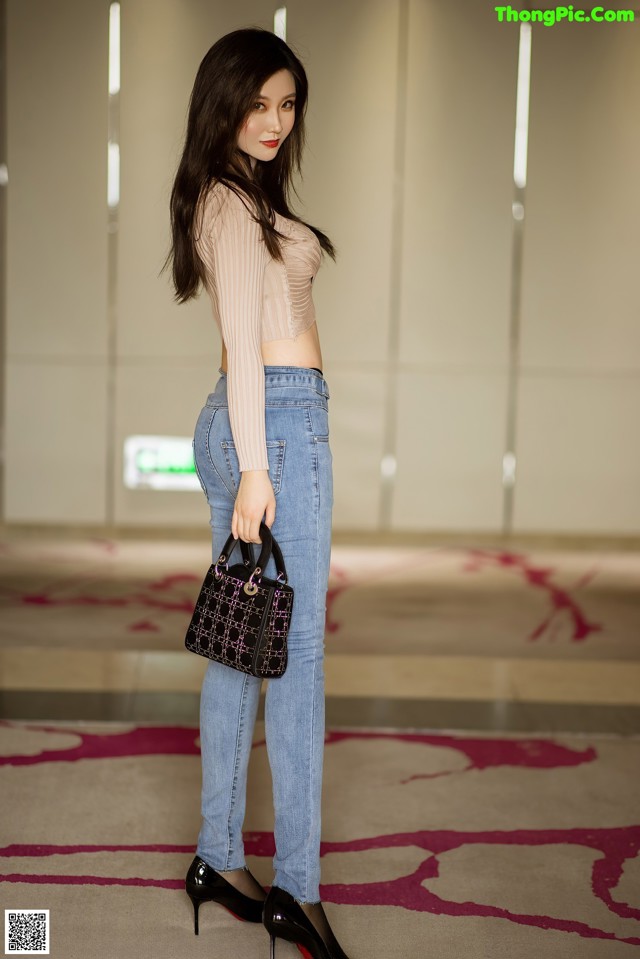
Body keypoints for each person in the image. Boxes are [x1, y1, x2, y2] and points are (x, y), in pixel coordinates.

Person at [166, 27, 351, 959]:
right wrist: (257, 468)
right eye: (260, 102)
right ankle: (299, 891)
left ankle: (215, 854)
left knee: (244, 646)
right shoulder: (231, 205)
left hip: (262, 423)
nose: (276, 120)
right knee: (298, 657)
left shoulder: (240, 196)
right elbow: (243, 336)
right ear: (224, 101)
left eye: (289, 103)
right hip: (272, 425)